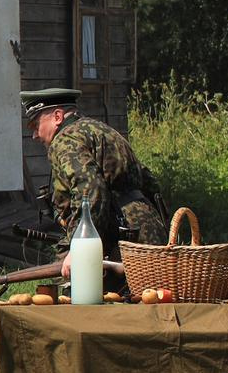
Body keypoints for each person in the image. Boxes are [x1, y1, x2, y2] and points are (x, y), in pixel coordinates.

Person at [22, 88, 168, 257]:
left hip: (120, 237)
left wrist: (80, 247)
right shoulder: (101, 130)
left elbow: (90, 190)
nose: (35, 135)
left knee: (70, 272)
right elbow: (149, 181)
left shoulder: (66, 139)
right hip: (148, 228)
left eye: (36, 125)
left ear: (57, 117)